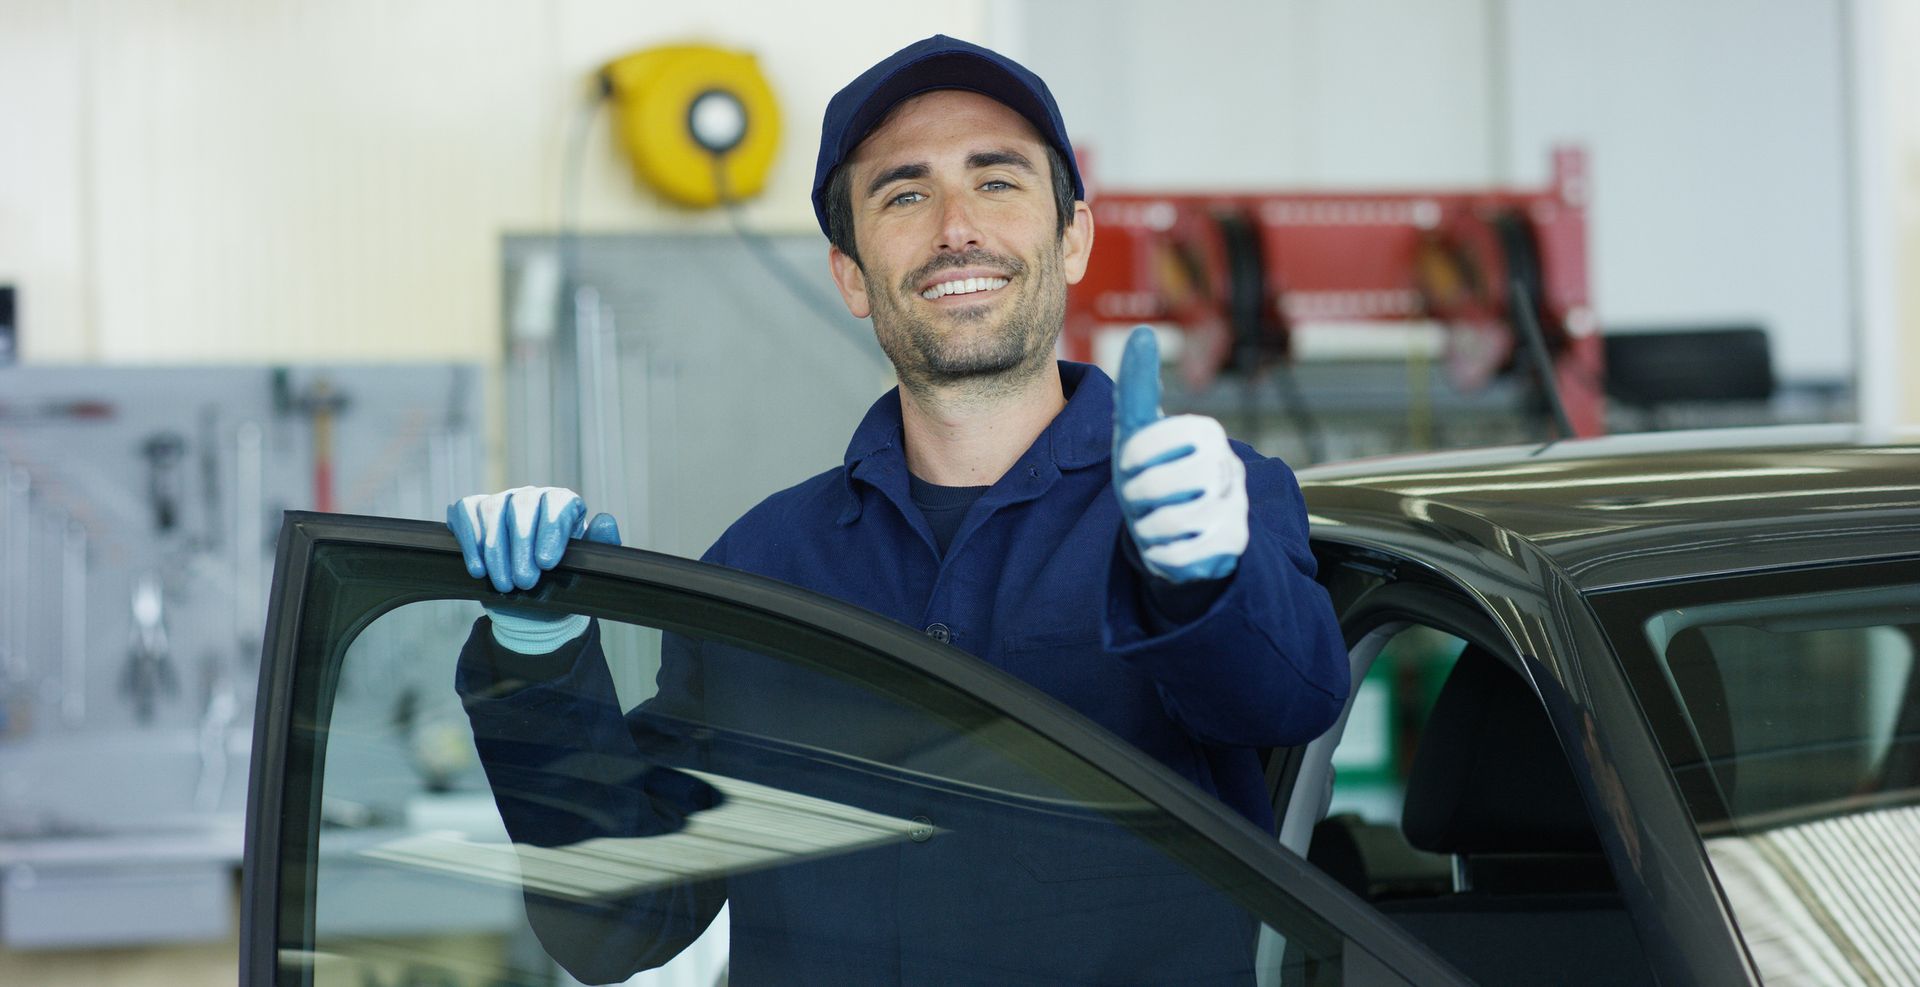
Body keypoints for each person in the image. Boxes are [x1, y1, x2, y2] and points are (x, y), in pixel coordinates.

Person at [449, 35, 1348, 985]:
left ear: (1072, 237)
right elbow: (618, 924)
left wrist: (1200, 585)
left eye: (997, 181)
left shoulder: (1214, 500)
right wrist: (539, 663)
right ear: (850, 275)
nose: (957, 226)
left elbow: (1286, 700)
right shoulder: (762, 567)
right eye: (905, 194)